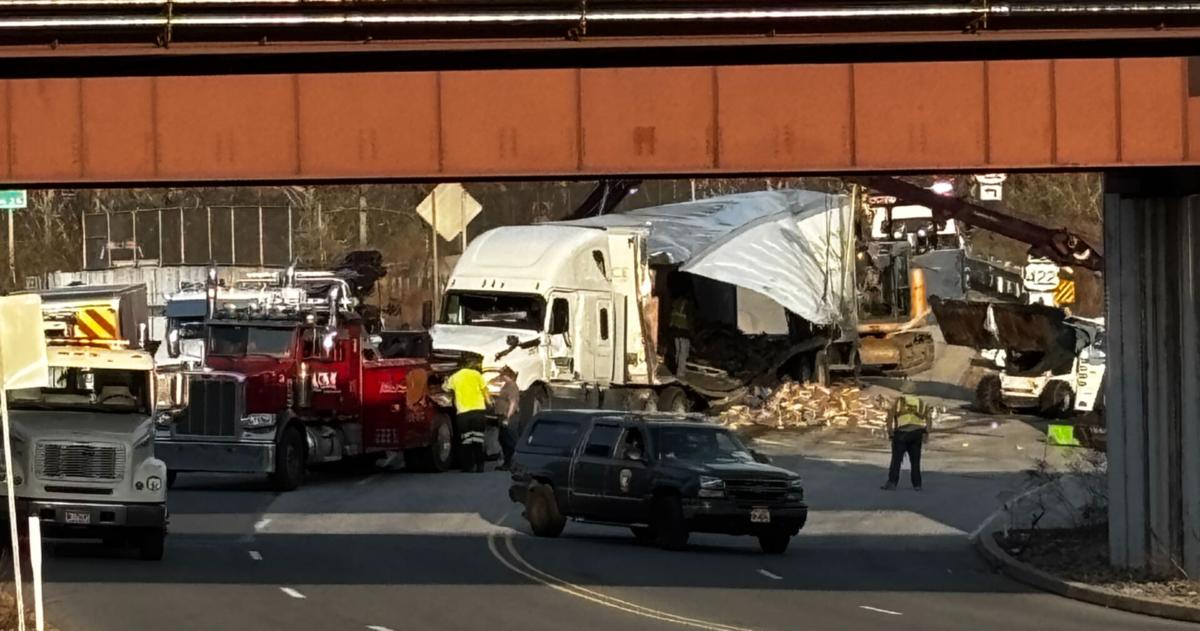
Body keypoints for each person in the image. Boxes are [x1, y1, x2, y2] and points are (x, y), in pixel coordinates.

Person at [882, 380, 932, 491]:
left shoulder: (899, 401)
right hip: (917, 433)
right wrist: (927, 432)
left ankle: (892, 483)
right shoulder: (921, 402)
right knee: (915, 461)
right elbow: (928, 418)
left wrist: (890, 432)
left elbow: (890, 416)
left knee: (896, 460)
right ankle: (917, 485)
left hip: (902, 433)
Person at [445, 358, 490, 473]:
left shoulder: (455, 377)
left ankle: (468, 466)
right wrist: (489, 403)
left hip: (463, 413)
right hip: (478, 410)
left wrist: (446, 381)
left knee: (466, 440)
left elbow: (446, 388)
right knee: (478, 439)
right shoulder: (477, 374)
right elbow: (485, 390)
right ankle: (480, 465)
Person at [489, 366, 521, 471]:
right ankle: (507, 463)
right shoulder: (506, 385)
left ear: (506, 376)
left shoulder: (512, 386)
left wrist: (507, 417)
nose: (500, 377)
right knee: (503, 440)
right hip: (502, 416)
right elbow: (492, 382)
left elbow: (513, 403)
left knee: (510, 441)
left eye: (502, 375)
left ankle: (514, 464)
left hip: (509, 417)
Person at [668, 278, 696, 379]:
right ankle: (680, 373)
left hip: (675, 330)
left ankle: (677, 369)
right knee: (684, 353)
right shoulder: (687, 304)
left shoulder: (677, 301)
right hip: (684, 331)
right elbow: (689, 319)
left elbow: (672, 315)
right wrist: (692, 333)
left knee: (678, 351)